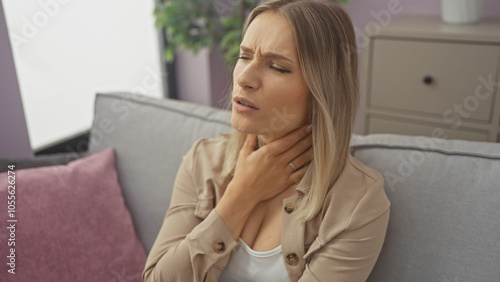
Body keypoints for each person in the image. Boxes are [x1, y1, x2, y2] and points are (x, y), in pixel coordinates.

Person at [142, 0, 390, 281]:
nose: (244, 78)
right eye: (245, 56)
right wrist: (240, 195)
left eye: (277, 67)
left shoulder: (358, 202)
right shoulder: (202, 160)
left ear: (323, 91)